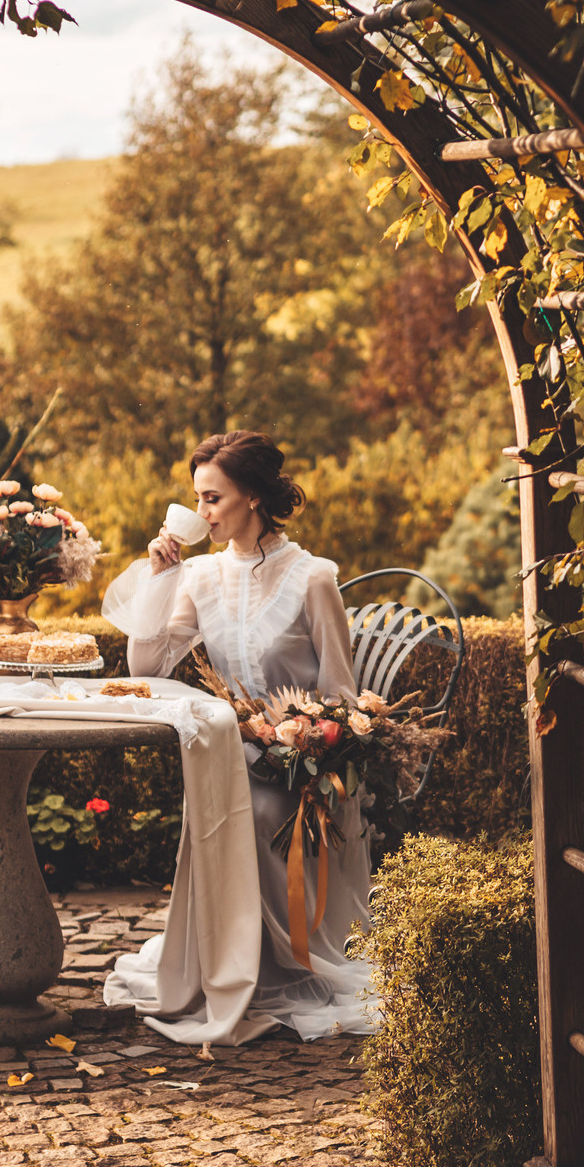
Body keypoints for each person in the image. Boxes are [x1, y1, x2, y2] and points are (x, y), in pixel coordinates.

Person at [100, 430, 375, 1039]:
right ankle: (223, 964)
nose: (201, 513)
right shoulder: (197, 578)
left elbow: (342, 693)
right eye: (197, 499)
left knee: (251, 810)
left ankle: (281, 966)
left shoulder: (313, 578)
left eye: (212, 499)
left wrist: (308, 744)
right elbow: (146, 669)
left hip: (305, 763)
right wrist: (159, 580)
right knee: (226, 798)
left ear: (251, 496)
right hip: (231, 755)